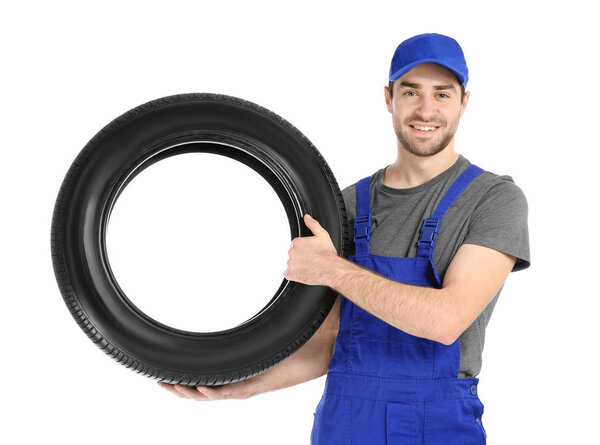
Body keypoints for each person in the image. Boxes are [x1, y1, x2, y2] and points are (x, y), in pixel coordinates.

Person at [158, 33, 530, 444]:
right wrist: (245, 385)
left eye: (442, 94)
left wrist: (333, 269)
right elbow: (333, 338)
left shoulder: (494, 200)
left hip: (438, 424)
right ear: (389, 98)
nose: (427, 109)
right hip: (345, 422)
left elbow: (445, 321)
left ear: (464, 102)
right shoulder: (348, 205)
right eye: (411, 92)